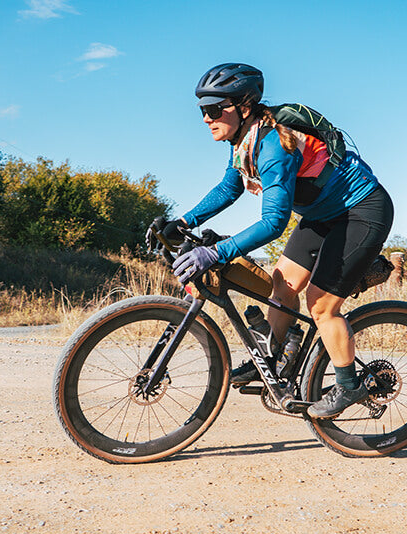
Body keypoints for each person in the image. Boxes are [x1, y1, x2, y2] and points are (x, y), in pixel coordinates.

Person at [163, 62, 394, 419]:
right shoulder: (245, 139)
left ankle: (349, 386)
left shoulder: (273, 147)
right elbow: (230, 187)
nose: (206, 119)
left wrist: (216, 252)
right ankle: (276, 356)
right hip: (322, 215)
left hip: (362, 211)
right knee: (281, 283)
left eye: (213, 109)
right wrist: (182, 222)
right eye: (202, 111)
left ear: (242, 107)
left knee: (320, 304)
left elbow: (273, 223)